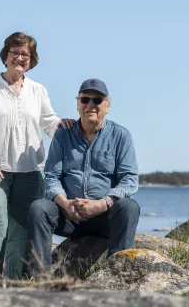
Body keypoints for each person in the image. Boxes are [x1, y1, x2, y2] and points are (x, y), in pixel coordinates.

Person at [0, 32, 73, 279]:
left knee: (21, 227)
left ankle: (13, 280)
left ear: (32, 60)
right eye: (15, 52)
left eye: (25, 54)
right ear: (6, 55)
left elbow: (48, 122)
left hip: (30, 169)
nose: (19, 58)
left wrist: (63, 125)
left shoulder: (38, 90)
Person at [27, 78, 140, 277]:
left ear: (107, 104)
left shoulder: (121, 136)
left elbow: (130, 179)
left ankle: (117, 276)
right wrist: (65, 204)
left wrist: (102, 204)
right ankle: (38, 278)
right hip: (69, 216)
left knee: (129, 207)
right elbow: (52, 176)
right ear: (77, 104)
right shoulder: (63, 135)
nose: (90, 105)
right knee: (39, 208)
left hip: (104, 216)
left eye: (97, 100)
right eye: (85, 99)